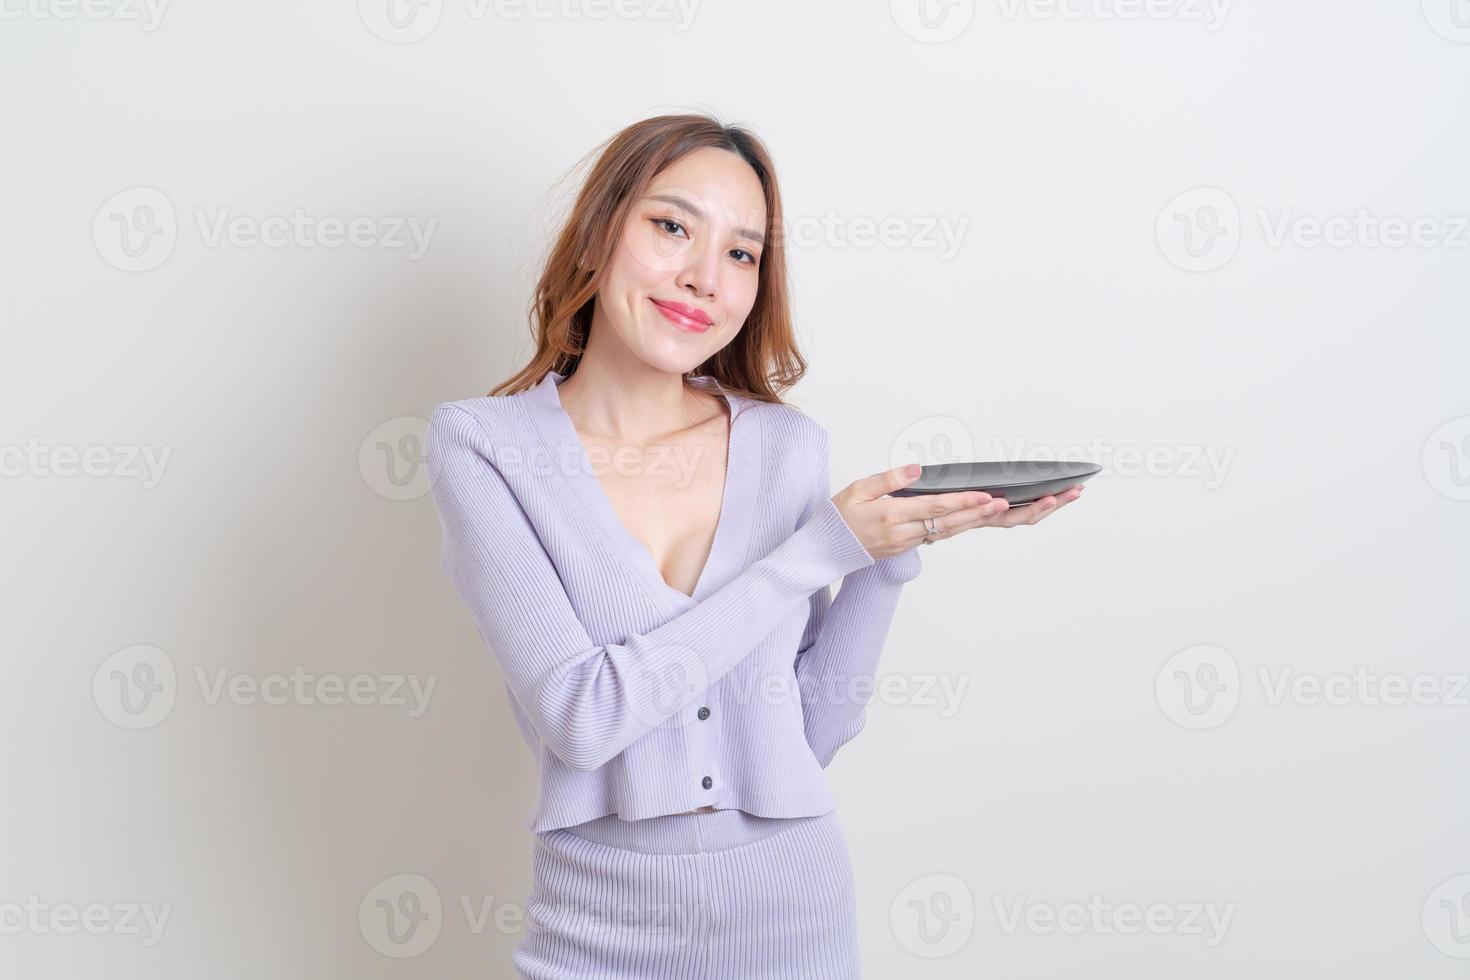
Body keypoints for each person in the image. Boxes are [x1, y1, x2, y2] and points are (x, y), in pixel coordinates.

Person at [424, 112, 1084, 979]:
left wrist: (885, 556)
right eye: (671, 227)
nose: (704, 277)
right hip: (593, 937)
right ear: (595, 239)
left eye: (742, 253)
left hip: (794, 925)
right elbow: (583, 719)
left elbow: (809, 733)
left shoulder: (787, 448)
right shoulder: (483, 446)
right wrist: (819, 551)